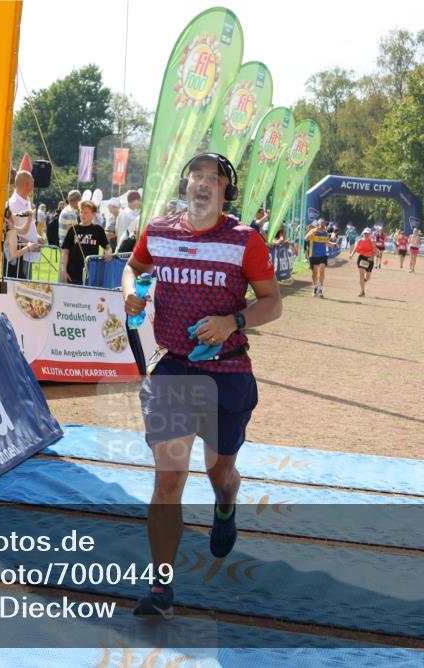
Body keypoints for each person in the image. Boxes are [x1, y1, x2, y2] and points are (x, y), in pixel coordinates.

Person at [121, 153, 281, 618]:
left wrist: (233, 321)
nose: (203, 184)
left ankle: (227, 498)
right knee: (169, 479)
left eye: (213, 178)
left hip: (228, 371)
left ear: (226, 191)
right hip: (174, 368)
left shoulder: (244, 240)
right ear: (186, 184)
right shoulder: (160, 230)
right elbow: (132, 266)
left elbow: (271, 304)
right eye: (196, 176)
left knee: (217, 473)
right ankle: (160, 590)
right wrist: (129, 289)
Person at [61, 200, 111, 284]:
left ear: (93, 214)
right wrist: (64, 270)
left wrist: (109, 252)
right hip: (73, 273)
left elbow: (107, 246)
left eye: (86, 213)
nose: (82, 215)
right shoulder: (73, 229)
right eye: (81, 212)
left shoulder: (98, 229)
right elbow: (65, 252)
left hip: (91, 273)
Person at [4, 170, 42, 279]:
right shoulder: (13, 203)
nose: (34, 185)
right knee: (19, 285)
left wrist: (36, 237)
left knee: (26, 284)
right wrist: (28, 245)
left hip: (26, 254)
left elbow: (23, 229)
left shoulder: (26, 200)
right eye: (32, 182)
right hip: (17, 257)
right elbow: (11, 231)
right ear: (27, 184)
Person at [304, 219, 333, 297]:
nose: (323, 225)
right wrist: (312, 234)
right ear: (318, 224)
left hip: (323, 255)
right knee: (315, 273)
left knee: (322, 270)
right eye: (321, 223)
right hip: (313, 255)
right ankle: (315, 287)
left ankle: (320, 288)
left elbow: (327, 243)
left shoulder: (326, 233)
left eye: (324, 224)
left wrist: (335, 244)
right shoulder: (313, 231)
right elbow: (306, 238)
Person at [350, 228, 377, 297]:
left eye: (367, 233)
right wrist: (351, 255)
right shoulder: (359, 240)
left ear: (370, 234)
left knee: (367, 277)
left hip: (369, 259)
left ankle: (364, 280)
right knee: (361, 274)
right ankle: (362, 291)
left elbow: (375, 251)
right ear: (363, 234)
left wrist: (372, 257)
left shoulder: (372, 241)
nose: (366, 235)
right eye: (365, 233)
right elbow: (355, 248)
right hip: (361, 258)